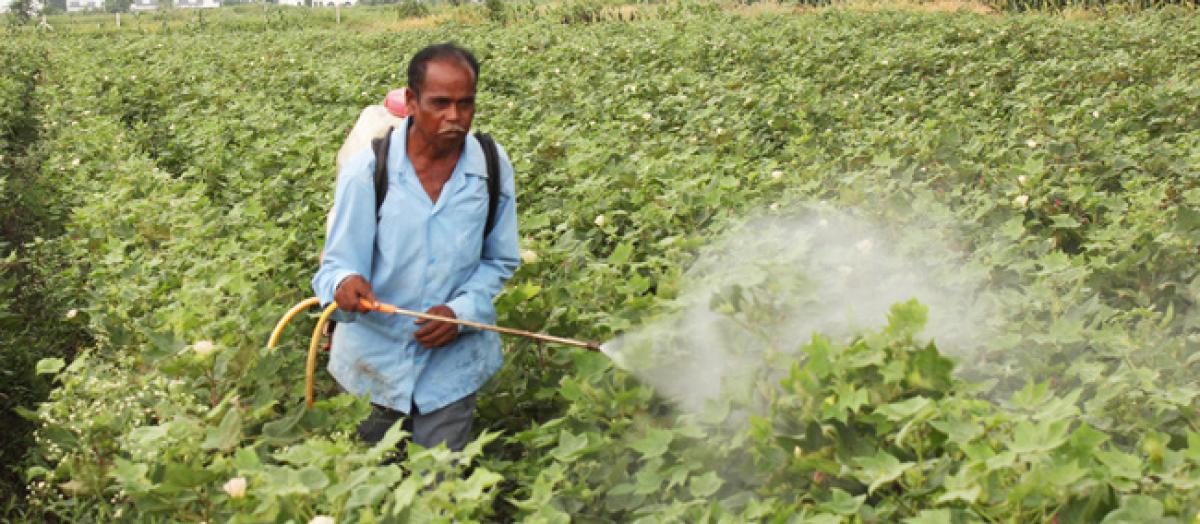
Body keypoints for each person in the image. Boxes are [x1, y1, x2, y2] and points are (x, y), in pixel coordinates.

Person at [312, 43, 520, 452]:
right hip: (372, 369)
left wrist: (460, 314)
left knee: (438, 495)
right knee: (372, 492)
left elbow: (500, 260)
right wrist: (344, 284)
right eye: (440, 103)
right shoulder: (368, 171)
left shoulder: (491, 168)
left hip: (451, 373)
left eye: (466, 103)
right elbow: (334, 265)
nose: (455, 117)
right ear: (411, 101)